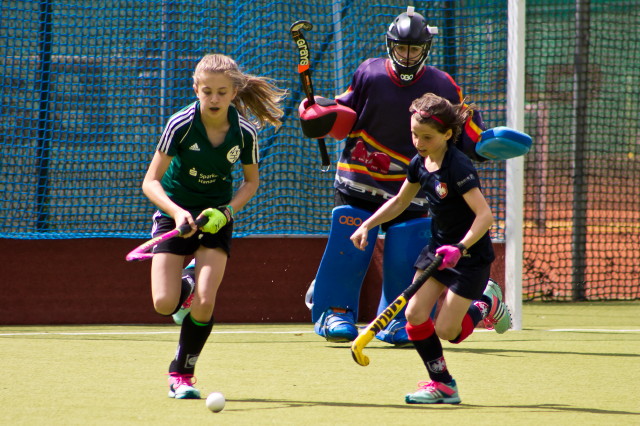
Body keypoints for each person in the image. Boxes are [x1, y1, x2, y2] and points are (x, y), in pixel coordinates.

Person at [298, 6, 488, 345]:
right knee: (350, 243)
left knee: (405, 251)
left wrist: (486, 144)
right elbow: (344, 112)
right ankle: (335, 310)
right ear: (390, 45)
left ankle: (397, 318)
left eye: (415, 49)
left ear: (426, 49)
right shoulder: (369, 73)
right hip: (358, 180)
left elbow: (465, 128)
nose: (407, 55)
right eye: (401, 48)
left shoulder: (442, 84)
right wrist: (318, 113)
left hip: (414, 186)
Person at [350, 93, 511, 404]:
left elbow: (485, 216)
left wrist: (460, 247)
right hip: (438, 251)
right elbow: (400, 201)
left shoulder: (458, 166)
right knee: (414, 313)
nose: (419, 142)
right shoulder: (419, 163)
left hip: (469, 257)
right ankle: (444, 385)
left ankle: (486, 302)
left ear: (447, 134)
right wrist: (367, 225)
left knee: (449, 331)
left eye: (427, 137)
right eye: (414, 134)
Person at [141, 53, 286, 399]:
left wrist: (227, 211)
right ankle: (187, 282)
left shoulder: (245, 132)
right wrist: (177, 212)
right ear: (196, 89)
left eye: (222, 92)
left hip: (216, 216)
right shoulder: (180, 124)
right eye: (207, 91)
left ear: (234, 92)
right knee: (164, 303)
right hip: (174, 213)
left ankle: (181, 374)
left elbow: (251, 182)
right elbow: (150, 181)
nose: (214, 99)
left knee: (205, 302)